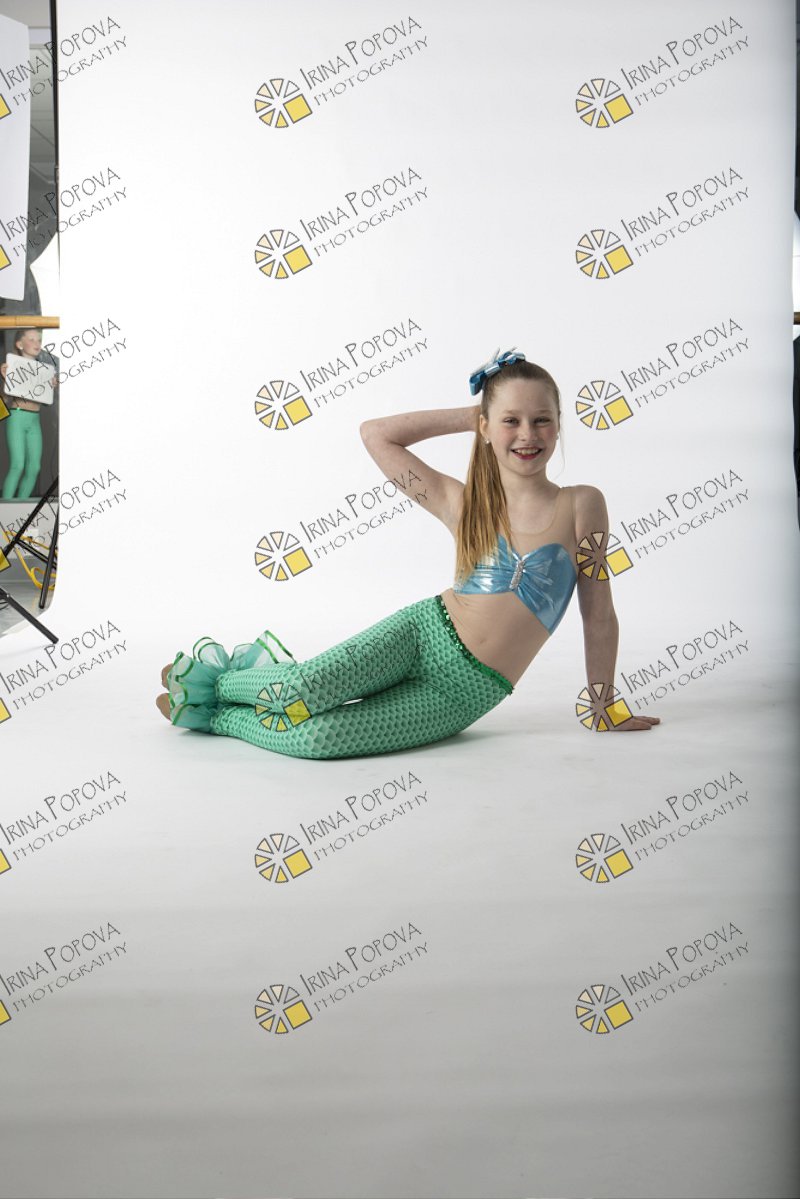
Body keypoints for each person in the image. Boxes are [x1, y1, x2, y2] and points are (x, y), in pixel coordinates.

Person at [156, 350, 659, 757]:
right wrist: (472, 416)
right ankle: (214, 684)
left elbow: (599, 614)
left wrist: (603, 705)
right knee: (299, 692)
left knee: (318, 737)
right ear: (486, 427)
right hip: (422, 633)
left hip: (466, 691)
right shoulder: (462, 503)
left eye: (542, 420)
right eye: (511, 420)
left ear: (559, 425)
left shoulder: (583, 505)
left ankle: (217, 717)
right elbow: (376, 434)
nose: (527, 434)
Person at [1, 327, 54, 500]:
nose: (36, 343)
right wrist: (6, 379)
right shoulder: (10, 366)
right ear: (20, 344)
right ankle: (5, 511)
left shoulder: (45, 370)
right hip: (17, 417)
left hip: (34, 419)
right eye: (31, 339)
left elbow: (45, 397)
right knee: (18, 465)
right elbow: (4, 399)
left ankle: (20, 510)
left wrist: (51, 385)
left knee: (34, 468)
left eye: (39, 340)